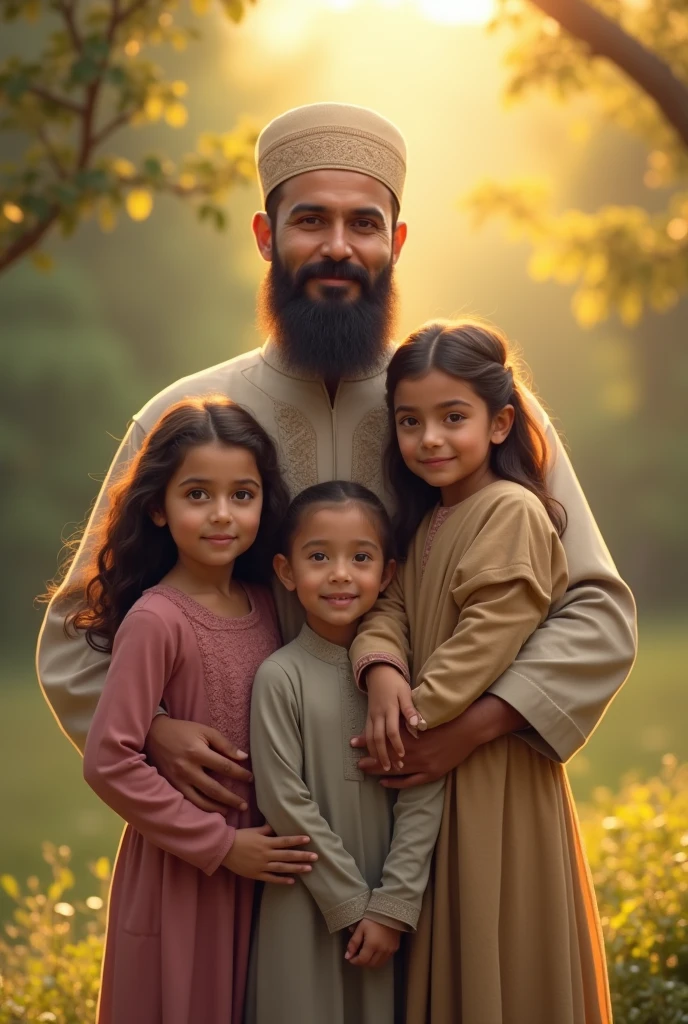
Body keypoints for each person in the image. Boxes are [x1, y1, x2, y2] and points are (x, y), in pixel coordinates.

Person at [37, 103, 636, 877]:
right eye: (311, 220)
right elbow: (76, 632)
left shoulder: (464, 415)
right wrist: (150, 728)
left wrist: (471, 728)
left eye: (363, 224)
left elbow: (597, 614)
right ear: (265, 235)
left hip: (449, 811)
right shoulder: (186, 417)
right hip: (255, 826)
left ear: (397, 241)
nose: (338, 247)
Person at [350, 319, 612, 1024]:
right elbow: (388, 609)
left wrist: (416, 722)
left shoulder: (513, 511)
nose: (429, 438)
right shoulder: (426, 520)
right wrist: (379, 669)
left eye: (452, 418)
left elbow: (485, 640)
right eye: (410, 421)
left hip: (490, 774)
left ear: (499, 424)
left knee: (498, 942)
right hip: (437, 763)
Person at [74, 397, 318, 1024]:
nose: (222, 514)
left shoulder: (268, 603)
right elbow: (109, 761)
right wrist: (219, 844)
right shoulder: (157, 620)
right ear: (158, 506)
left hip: (256, 872)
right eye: (197, 495)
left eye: (242, 494)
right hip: (184, 876)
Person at [246, 481, 445, 1024]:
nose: (339, 573)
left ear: (387, 574)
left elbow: (425, 790)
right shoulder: (279, 676)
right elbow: (283, 798)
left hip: (391, 911)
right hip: (304, 900)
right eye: (319, 557)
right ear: (287, 573)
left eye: (360, 557)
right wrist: (352, 905)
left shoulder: (406, 682)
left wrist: (391, 907)